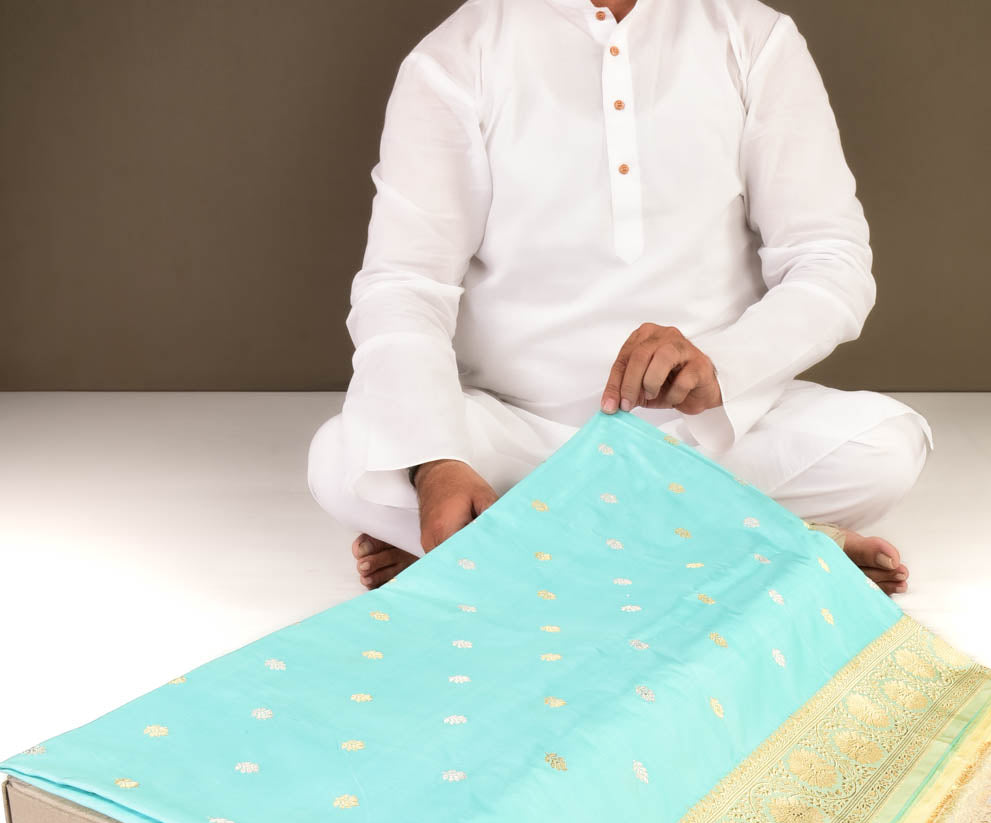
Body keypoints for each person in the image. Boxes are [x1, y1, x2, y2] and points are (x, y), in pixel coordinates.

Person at [307, 0, 932, 594]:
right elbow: (405, 284)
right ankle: (770, 544)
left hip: (706, 440)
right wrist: (437, 464)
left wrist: (722, 365)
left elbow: (830, 259)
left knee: (884, 449)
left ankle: (504, 546)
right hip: (517, 436)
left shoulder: (754, 38)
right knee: (339, 460)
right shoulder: (455, 56)